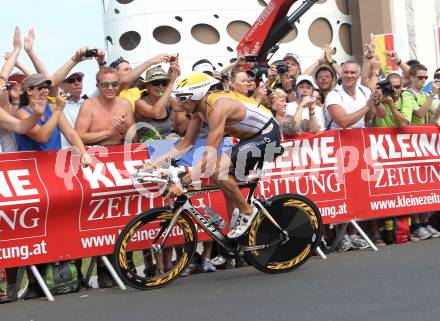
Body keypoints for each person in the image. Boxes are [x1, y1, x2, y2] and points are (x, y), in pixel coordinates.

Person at [149, 72, 282, 240]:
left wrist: (183, 183)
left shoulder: (218, 107)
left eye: (183, 97)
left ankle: (248, 211)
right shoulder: (198, 111)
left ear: (197, 95)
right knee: (225, 181)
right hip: (250, 137)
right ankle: (236, 241)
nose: (180, 103)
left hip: (268, 134)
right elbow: (185, 144)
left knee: (217, 170)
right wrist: (153, 164)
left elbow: (210, 156)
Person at [75, 67, 134, 146]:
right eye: (105, 84)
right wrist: (108, 133)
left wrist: (124, 132)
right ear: (98, 86)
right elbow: (78, 137)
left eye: (114, 84)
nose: (110, 88)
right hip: (94, 152)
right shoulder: (88, 105)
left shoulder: (125, 104)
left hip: (120, 151)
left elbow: (134, 139)